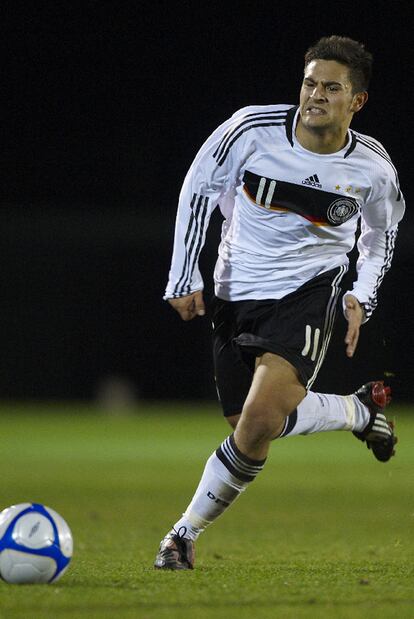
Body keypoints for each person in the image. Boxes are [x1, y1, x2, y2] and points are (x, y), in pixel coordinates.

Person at [154, 35, 405, 570]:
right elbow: (198, 189)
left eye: (331, 87)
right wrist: (184, 273)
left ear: (356, 101)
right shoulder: (251, 129)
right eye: (310, 83)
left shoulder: (373, 168)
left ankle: (181, 535)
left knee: (261, 417)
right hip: (234, 291)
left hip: (308, 294)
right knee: (248, 425)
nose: (315, 95)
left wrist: (362, 294)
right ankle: (357, 409)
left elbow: (382, 233)